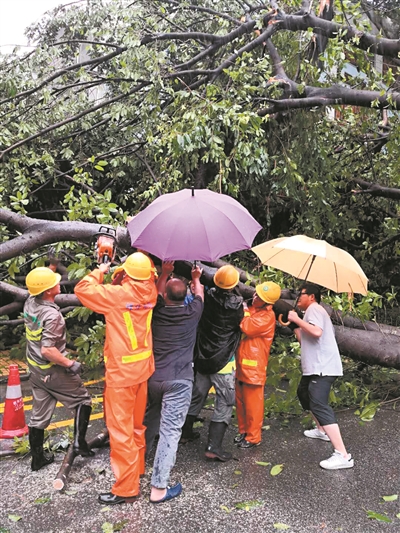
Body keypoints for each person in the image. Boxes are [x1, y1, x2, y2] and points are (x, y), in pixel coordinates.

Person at [74, 252, 158, 504]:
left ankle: (126, 488)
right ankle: (138, 469)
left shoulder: (117, 295)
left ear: (126, 275)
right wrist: (126, 273)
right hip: (142, 370)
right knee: (135, 426)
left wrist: (102, 269)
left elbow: (83, 288)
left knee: (120, 432)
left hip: (121, 375)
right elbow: (146, 276)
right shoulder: (151, 291)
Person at [145, 261, 204, 503]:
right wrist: (196, 277)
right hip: (179, 380)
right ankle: (159, 488)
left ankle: (137, 465)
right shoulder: (193, 312)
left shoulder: (156, 310)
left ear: (166, 295)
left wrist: (165, 272)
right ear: (186, 296)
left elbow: (155, 293)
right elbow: (199, 294)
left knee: (148, 420)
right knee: (170, 432)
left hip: (154, 377)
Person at [23, 267, 93, 472]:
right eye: (54, 281)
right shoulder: (53, 317)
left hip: (36, 370)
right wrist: (70, 364)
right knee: (83, 401)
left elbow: (36, 286)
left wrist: (50, 267)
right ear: (47, 291)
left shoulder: (29, 302)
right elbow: (47, 350)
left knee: (39, 416)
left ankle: (37, 459)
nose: (59, 282)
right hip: (52, 370)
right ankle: (80, 443)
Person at [288, 283, 354, 470]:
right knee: (304, 393)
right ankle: (322, 430)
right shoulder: (310, 313)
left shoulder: (315, 308)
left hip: (323, 367)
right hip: (315, 367)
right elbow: (306, 340)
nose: (298, 298)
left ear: (312, 297)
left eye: (301, 294)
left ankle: (343, 455)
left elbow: (317, 332)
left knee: (318, 403)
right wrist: (295, 326)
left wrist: (296, 318)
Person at [181, 264, 244, 461]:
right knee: (225, 401)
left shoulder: (206, 297)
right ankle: (213, 446)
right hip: (223, 361)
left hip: (202, 357)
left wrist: (197, 278)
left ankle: (185, 432)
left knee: (196, 395)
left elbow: (199, 294)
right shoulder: (237, 304)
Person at [235, 281, 281, 449]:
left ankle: (253, 437)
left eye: (259, 297)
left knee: (253, 404)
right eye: (256, 294)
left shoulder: (267, 317)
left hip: (253, 367)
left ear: (267, 302)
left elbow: (247, 327)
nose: (255, 297)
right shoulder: (257, 309)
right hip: (242, 363)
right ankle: (243, 431)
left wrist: (245, 310)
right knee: (240, 402)